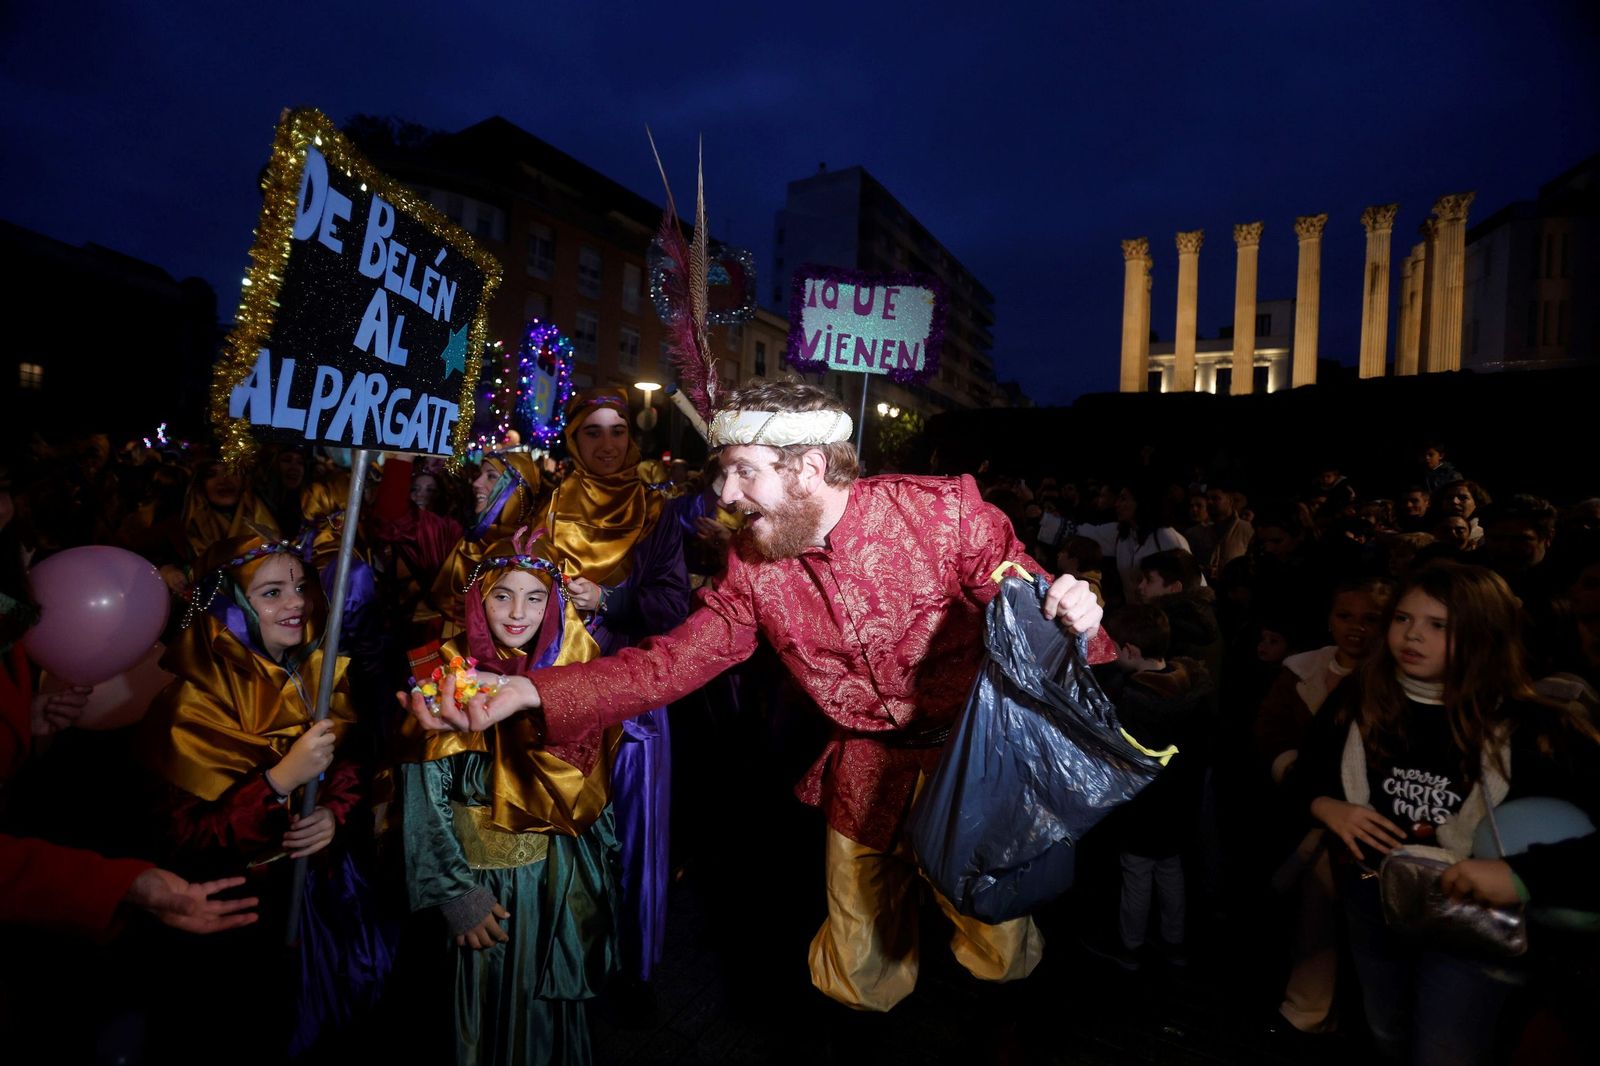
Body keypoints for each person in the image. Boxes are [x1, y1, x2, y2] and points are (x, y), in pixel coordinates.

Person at [406, 379, 1109, 1014]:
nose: (726, 495)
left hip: (971, 765)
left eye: (743, 472)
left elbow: (1031, 594)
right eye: (721, 473)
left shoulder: (943, 513)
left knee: (998, 947)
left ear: (807, 468)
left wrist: (1075, 608)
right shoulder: (753, 564)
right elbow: (666, 665)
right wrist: (527, 688)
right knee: (858, 966)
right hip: (862, 776)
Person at [1291, 563, 1600, 1065]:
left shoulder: (1535, 727)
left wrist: (1522, 875)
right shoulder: (1360, 698)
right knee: (1383, 1026)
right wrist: (1325, 805)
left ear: (1486, 636)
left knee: (1445, 1047)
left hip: (1474, 919)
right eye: (1404, 619)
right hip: (1371, 897)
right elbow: (1305, 774)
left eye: (1440, 625)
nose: (1413, 635)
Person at [138, 532, 392, 1062]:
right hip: (244, 917)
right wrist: (276, 783)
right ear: (231, 609)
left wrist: (331, 813)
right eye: (272, 593)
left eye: (299, 586)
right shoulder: (189, 706)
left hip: (329, 897)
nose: (297, 602)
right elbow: (184, 837)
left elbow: (347, 767)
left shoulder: (315, 675)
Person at [393, 529, 620, 1066]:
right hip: (479, 883)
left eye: (536, 596)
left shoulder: (575, 663)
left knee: (542, 1014)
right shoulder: (442, 673)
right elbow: (422, 794)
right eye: (502, 594)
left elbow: (594, 787)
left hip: (550, 881)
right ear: (477, 597)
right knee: (476, 1007)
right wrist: (454, 893)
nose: (518, 612)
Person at [534, 388, 689, 997]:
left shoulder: (657, 512)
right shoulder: (545, 508)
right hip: (560, 692)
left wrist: (610, 601)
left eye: (617, 431)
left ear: (633, 438)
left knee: (630, 838)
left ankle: (628, 970)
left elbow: (675, 605)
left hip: (632, 698)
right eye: (592, 432)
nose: (606, 444)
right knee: (563, 827)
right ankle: (562, 963)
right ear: (574, 439)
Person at [1255, 576, 1393, 1037]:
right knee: (1314, 921)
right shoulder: (1300, 671)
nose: (1356, 628)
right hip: (1310, 816)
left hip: (1377, 825)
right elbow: (1271, 734)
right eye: (1345, 616)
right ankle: (1308, 1012)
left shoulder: (1399, 680)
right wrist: (1297, 778)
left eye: (1371, 619)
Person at [1090, 604, 1213, 972]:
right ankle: (1174, 942)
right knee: (1170, 870)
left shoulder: (1129, 700)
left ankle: (1131, 945)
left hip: (1141, 807)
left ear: (1129, 651)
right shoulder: (1194, 688)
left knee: (1137, 873)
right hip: (1180, 802)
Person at [1074, 483, 1192, 606]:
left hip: (1163, 618)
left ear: (1141, 502)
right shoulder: (1121, 535)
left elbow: (1193, 583)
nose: (1116, 504)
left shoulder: (1167, 538)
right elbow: (1082, 532)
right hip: (1135, 616)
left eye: (1123, 499)